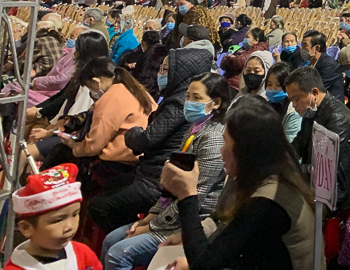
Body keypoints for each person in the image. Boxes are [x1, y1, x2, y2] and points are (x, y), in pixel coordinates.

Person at [160, 96, 314, 269]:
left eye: (226, 141)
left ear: (246, 151)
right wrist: (192, 235)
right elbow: (228, 232)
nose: (221, 149)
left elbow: (204, 264)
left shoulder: (268, 203)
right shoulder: (265, 179)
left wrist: (187, 196)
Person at [100, 74, 230, 270]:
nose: (189, 102)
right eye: (188, 97)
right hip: (170, 213)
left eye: (197, 98)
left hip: (190, 222)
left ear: (216, 102)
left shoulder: (213, 138)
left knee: (118, 255)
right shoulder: (194, 130)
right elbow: (170, 189)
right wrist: (147, 219)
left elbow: (194, 196)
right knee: (111, 239)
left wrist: (150, 226)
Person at [89, 47, 213, 231]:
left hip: (156, 178)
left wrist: (133, 131)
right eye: (160, 69)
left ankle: (124, 238)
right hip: (151, 169)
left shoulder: (179, 103)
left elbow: (146, 139)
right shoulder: (176, 98)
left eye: (165, 70)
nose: (159, 74)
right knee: (111, 184)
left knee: (99, 206)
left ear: (180, 72)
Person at [283, 66, 350, 212]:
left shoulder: (337, 118)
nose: (293, 105)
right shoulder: (311, 111)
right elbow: (297, 144)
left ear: (314, 92)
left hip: (340, 192)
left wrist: (288, 169)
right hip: (318, 184)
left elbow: (324, 167)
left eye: (296, 99)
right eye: (291, 100)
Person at [64, 57, 154, 179]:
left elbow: (94, 145)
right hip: (138, 157)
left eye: (90, 88)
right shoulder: (135, 89)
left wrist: (74, 146)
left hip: (117, 162)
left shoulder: (111, 97)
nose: (92, 92)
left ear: (96, 82)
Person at [5, 164, 100, 270]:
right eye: (58, 220)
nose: (69, 226)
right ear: (26, 228)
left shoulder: (83, 253)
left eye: (75, 214)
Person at [264, 62, 303, 142]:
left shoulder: (293, 111)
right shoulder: (265, 105)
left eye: (278, 85)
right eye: (269, 84)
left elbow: (290, 144)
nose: (273, 89)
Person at [301, 31, 343, 100]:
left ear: (317, 48)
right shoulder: (311, 63)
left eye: (305, 45)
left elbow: (316, 90)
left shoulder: (329, 65)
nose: (302, 49)